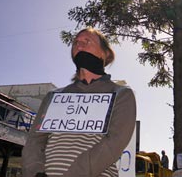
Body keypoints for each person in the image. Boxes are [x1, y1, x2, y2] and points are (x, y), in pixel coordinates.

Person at [22, 27, 136, 177]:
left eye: (86, 41)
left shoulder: (121, 94)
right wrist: (35, 172)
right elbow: (34, 141)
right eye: (75, 42)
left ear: (105, 53)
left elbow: (114, 142)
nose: (79, 45)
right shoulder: (54, 96)